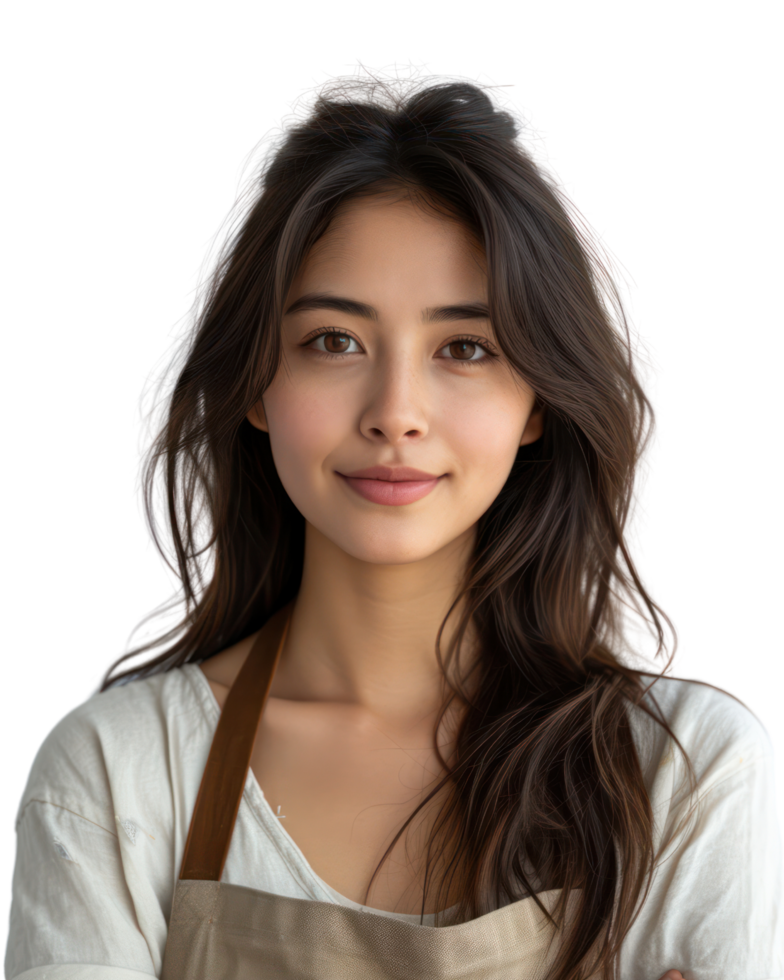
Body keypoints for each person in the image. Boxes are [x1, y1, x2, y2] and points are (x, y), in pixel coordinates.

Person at [5, 58, 781, 980]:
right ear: (258, 381)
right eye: (334, 341)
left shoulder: (683, 770)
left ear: (538, 400)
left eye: (466, 346)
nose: (395, 411)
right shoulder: (117, 773)